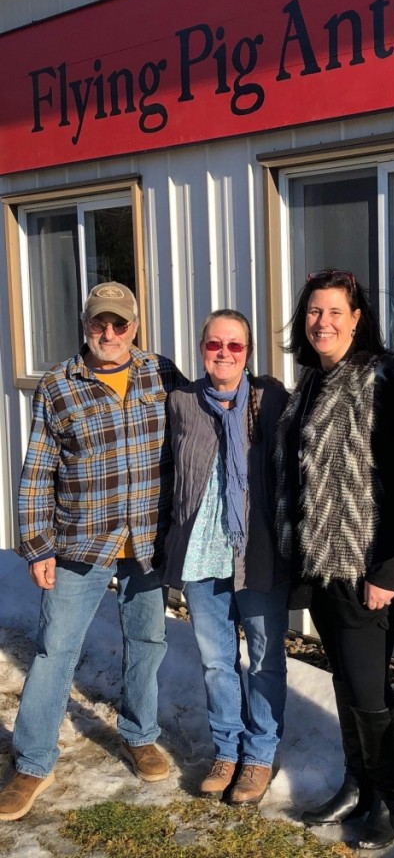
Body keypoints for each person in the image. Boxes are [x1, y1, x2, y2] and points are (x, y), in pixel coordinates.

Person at [0, 282, 186, 823]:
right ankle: (33, 762)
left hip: (146, 540)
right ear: (85, 325)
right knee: (55, 649)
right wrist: (37, 546)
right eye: (98, 323)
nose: (109, 334)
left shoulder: (161, 373)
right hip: (81, 539)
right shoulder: (59, 385)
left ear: (135, 326)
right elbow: (37, 473)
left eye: (119, 324)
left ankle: (138, 734)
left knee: (147, 638)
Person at [274, 269, 394, 850]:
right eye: (313, 312)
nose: (322, 323)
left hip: (365, 565)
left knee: (370, 686)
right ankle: (356, 783)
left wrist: (386, 570)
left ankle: (391, 800)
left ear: (357, 319)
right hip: (323, 564)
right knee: (345, 681)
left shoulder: (379, 380)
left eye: (335, 312)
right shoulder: (311, 382)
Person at [162, 309, 289, 805]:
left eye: (235, 345)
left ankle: (258, 756)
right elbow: (169, 473)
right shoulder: (182, 402)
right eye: (215, 344)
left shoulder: (271, 398)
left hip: (257, 552)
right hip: (202, 551)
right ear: (201, 348)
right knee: (217, 661)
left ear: (249, 352)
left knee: (263, 660)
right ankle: (227, 750)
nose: (224, 353)